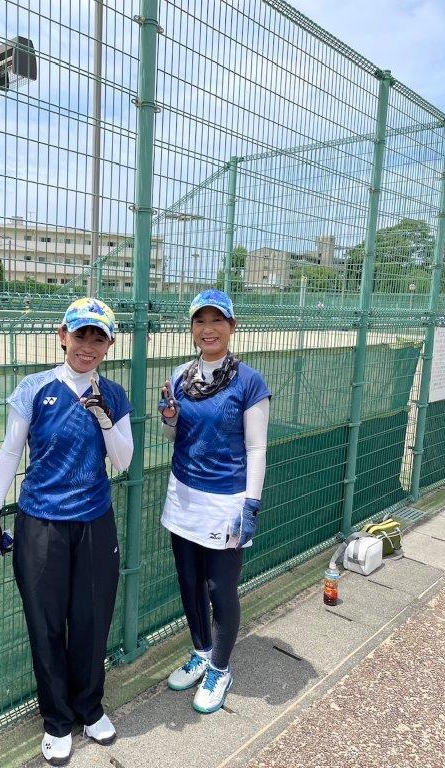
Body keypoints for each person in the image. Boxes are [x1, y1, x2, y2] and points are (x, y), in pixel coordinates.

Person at [0, 297, 133, 765]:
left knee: (92, 620)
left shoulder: (114, 394)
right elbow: (10, 452)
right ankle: (57, 720)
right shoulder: (35, 387)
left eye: (99, 338)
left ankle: (90, 707)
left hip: (94, 521)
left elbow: (123, 462)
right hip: (41, 522)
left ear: (109, 346)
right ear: (63, 336)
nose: (88, 346)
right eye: (80, 334)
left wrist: (104, 418)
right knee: (45, 624)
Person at [158, 289, 271, 714]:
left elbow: (256, 448)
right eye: (200, 321)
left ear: (231, 327)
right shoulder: (180, 376)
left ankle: (221, 669)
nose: (208, 329)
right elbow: (172, 436)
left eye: (216, 320)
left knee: (219, 587)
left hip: (227, 501)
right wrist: (169, 417)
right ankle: (202, 652)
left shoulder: (249, 381)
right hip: (184, 495)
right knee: (188, 581)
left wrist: (251, 504)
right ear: (191, 328)